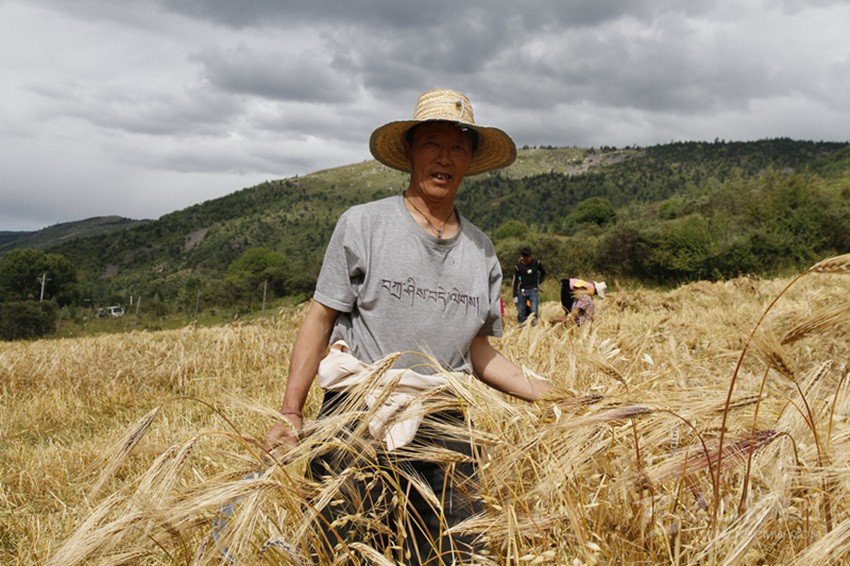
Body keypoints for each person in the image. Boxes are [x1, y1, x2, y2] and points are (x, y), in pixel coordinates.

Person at [264, 89, 559, 564]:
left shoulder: (482, 251)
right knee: (344, 549)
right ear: (410, 153)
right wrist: (290, 412)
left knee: (455, 551)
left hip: (443, 421)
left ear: (469, 162)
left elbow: (478, 351)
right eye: (432, 144)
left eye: (457, 147)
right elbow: (320, 317)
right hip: (357, 414)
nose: (444, 158)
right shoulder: (363, 225)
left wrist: (556, 396)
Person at [512, 247, 546, 324]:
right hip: (522, 291)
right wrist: (515, 295)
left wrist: (538, 282)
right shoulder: (518, 266)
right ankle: (521, 327)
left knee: (534, 311)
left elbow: (543, 273)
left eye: (530, 256)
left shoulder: (536, 263)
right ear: (523, 257)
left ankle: (534, 327)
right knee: (521, 312)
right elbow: (516, 281)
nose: (529, 258)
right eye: (527, 257)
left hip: (533, 290)